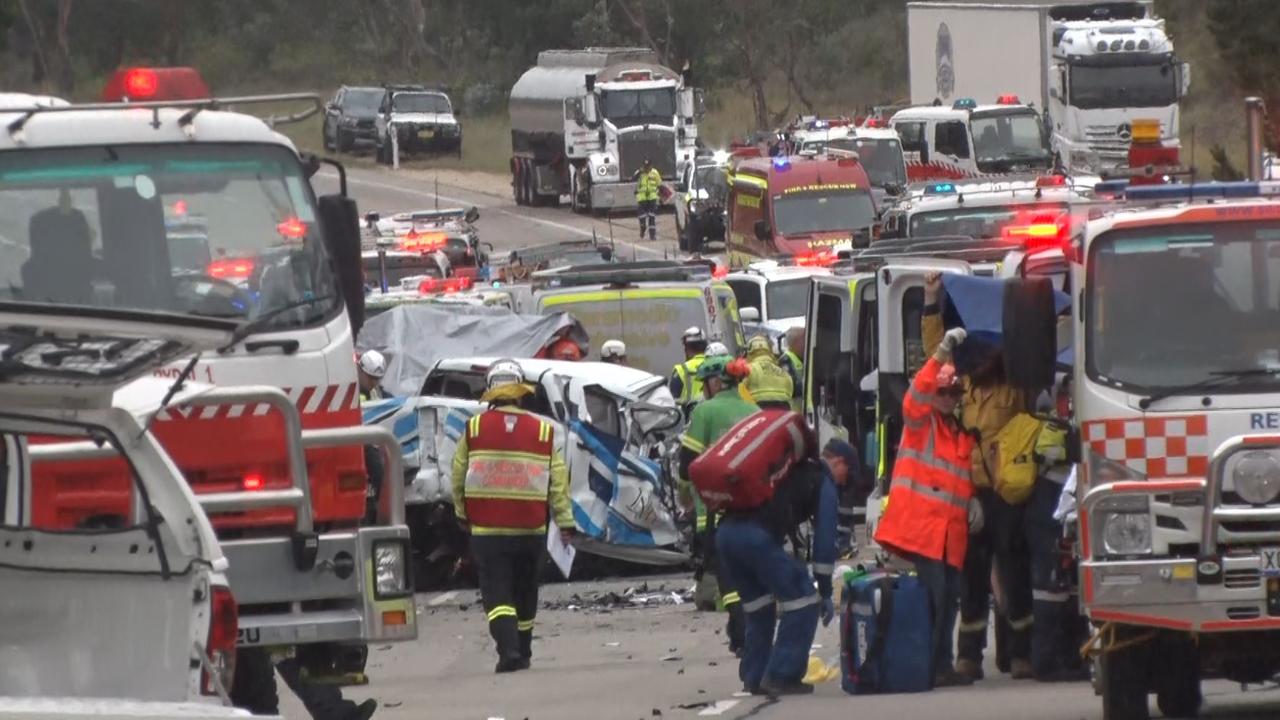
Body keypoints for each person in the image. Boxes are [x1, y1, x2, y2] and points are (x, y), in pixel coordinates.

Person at [921, 272, 1034, 682]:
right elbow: (937, 351)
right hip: (968, 494)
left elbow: (1035, 350)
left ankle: (1020, 653)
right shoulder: (962, 384)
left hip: (1006, 493)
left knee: (1015, 574)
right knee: (970, 577)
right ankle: (968, 655)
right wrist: (932, 300)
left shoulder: (1016, 386)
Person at [451, 359, 574, 673]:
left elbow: (458, 474)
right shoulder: (544, 431)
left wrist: (462, 513)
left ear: (490, 390)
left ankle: (509, 652)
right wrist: (565, 522)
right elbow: (558, 481)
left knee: (498, 593)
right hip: (530, 529)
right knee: (525, 590)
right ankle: (524, 648)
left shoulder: (475, 428)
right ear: (520, 392)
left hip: (488, 532)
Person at [873, 325, 979, 688]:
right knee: (935, 598)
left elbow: (957, 481)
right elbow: (914, 395)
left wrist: (974, 502)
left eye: (953, 392)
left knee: (949, 599)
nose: (948, 397)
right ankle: (929, 666)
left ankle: (940, 664)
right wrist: (940, 355)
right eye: (943, 392)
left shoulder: (958, 433)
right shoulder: (921, 422)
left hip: (949, 534)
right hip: (923, 529)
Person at [715, 429, 841, 696]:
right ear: (840, 462)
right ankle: (782, 675)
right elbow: (825, 541)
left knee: (759, 607)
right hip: (754, 538)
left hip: (726, 535)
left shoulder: (786, 472)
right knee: (804, 601)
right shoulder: (822, 480)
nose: (845, 483)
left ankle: (755, 675)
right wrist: (826, 591)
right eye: (848, 475)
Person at [678, 356, 758, 655]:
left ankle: (740, 633)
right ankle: (750, 630)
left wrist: (685, 494)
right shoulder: (754, 412)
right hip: (754, 511)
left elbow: (686, 467)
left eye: (705, 385)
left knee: (727, 579)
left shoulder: (705, 412)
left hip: (713, 513)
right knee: (750, 575)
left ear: (715, 383)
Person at [741, 334, 793, 406]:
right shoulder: (783, 373)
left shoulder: (747, 369)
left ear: (750, 351)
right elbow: (790, 394)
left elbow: (740, 393)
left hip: (758, 412)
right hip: (783, 413)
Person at [669, 326, 710, 415]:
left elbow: (672, 402)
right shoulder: (716, 365)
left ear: (686, 348)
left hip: (690, 420)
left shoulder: (680, 370)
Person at [633, 158, 662, 241]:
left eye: (648, 167)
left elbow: (659, 184)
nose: (646, 169)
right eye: (645, 167)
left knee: (652, 217)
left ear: (651, 166)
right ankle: (642, 228)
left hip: (652, 198)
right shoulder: (639, 173)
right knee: (642, 217)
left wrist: (660, 198)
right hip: (641, 198)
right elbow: (633, 178)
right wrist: (639, 172)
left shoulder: (655, 173)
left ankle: (652, 235)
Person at [779, 327, 805, 412]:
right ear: (796, 342)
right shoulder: (785, 361)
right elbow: (791, 388)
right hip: (795, 412)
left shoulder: (804, 357)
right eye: (804, 338)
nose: (806, 342)